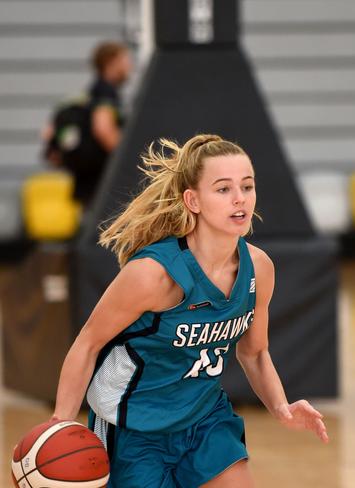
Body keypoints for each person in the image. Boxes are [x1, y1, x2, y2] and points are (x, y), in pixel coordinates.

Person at [51, 134, 329, 487]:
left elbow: (255, 352)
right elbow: (88, 343)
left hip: (204, 419)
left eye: (247, 186)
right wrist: (61, 422)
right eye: (224, 189)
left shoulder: (259, 268)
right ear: (193, 200)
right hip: (135, 429)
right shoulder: (153, 274)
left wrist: (281, 407)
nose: (240, 198)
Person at [44, 41, 132, 205]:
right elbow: (103, 128)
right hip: (102, 181)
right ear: (111, 62)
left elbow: (48, 132)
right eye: (126, 61)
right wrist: (130, 162)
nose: (130, 67)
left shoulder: (88, 94)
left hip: (85, 182)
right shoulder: (105, 92)